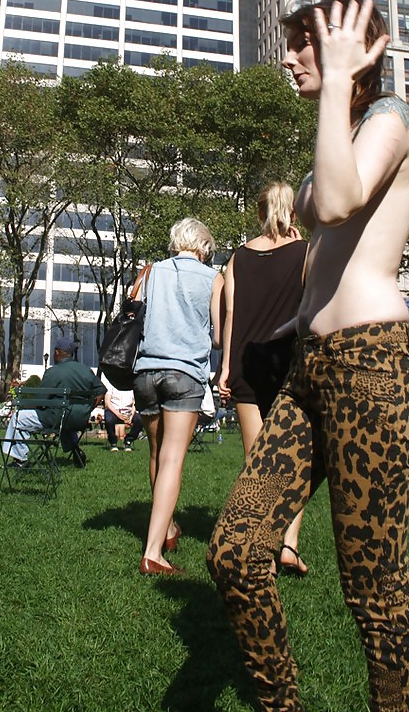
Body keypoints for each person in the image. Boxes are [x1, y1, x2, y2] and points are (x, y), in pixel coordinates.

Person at [208, 0, 409, 712]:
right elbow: (320, 242)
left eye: (309, 40)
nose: (291, 55)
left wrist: (339, 80)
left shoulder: (392, 119)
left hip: (373, 369)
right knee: (237, 550)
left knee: (375, 591)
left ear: (366, 46)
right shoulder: (340, 135)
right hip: (312, 372)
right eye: (294, 41)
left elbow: (335, 203)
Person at [217, 181, 309, 576]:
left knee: (257, 465)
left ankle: (258, 551)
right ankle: (287, 545)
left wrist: (224, 368)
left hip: (246, 366)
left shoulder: (238, 257)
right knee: (295, 460)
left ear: (259, 212)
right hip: (289, 367)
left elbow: (231, 316)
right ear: (294, 211)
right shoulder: (306, 253)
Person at [134, 218, 224, 576]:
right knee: (173, 459)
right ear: (204, 247)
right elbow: (218, 336)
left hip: (145, 372)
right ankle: (153, 552)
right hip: (184, 373)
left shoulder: (151, 272)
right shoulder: (213, 278)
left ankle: (168, 528)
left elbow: (134, 315)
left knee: (156, 454)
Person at [2, 335, 105, 469]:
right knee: (64, 418)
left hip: (57, 417)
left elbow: (41, 400)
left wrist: (25, 406)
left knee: (18, 418)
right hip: (79, 419)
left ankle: (20, 460)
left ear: (57, 352)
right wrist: (88, 408)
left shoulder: (53, 372)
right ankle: (76, 451)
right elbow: (101, 391)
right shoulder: (86, 370)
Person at [101, 374, 144, 452]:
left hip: (128, 410)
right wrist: (118, 414)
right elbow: (107, 402)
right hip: (113, 410)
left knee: (140, 420)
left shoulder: (131, 386)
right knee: (109, 420)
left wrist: (131, 414)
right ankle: (113, 442)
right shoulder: (111, 384)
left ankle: (128, 440)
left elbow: (135, 402)